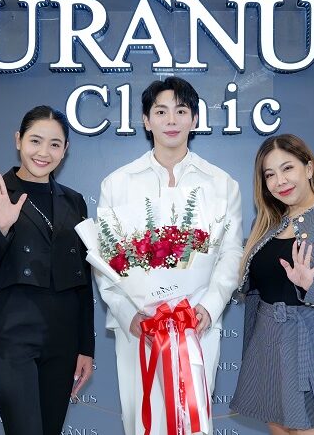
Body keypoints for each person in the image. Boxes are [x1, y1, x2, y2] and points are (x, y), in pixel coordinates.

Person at [96, 76, 243, 434]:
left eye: (181, 111)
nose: (171, 120)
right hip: (140, 328)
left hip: (197, 325)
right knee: (141, 418)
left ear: (195, 119)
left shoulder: (222, 184)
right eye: (161, 112)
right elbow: (106, 260)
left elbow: (231, 253)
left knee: (191, 419)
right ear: (146, 121)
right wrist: (129, 313)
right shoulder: (117, 183)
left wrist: (209, 306)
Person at [0, 105, 94, 435]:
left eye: (55, 144)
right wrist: (1, 228)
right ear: (18, 140)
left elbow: (83, 280)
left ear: (65, 150)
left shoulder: (75, 202)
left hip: (63, 341)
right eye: (35, 141)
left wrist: (86, 347)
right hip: (13, 336)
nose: (43, 152)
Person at [230, 134, 314, 435]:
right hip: (269, 343)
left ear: (308, 168)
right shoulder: (264, 223)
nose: (280, 181)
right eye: (270, 174)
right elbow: (255, 295)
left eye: (287, 168)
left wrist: (313, 284)